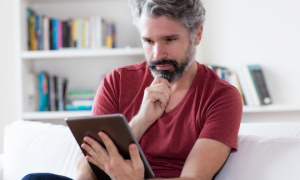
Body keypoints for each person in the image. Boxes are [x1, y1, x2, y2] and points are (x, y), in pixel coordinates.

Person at [22, 0, 242, 180]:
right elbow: (84, 171)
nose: (157, 54)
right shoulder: (117, 81)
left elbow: (193, 179)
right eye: (148, 41)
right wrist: (141, 121)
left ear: (197, 35)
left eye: (170, 39)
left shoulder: (222, 97)